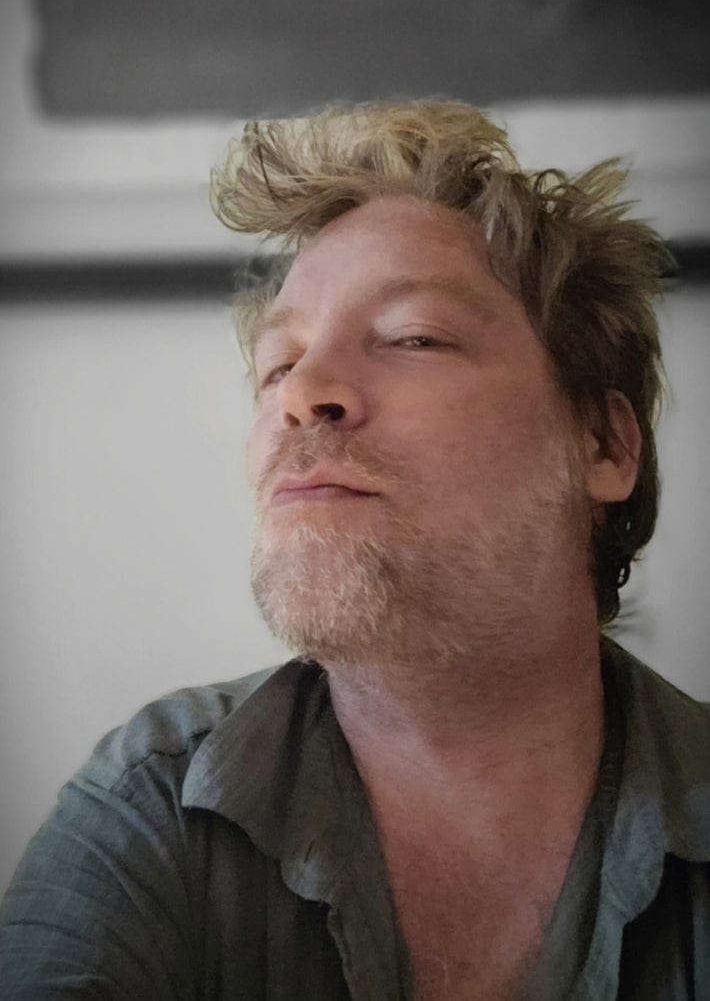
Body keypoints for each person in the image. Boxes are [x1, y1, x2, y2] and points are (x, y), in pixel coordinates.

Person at [0, 99, 708, 1000]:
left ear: (602, 445)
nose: (304, 394)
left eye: (414, 337)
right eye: (279, 364)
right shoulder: (150, 808)